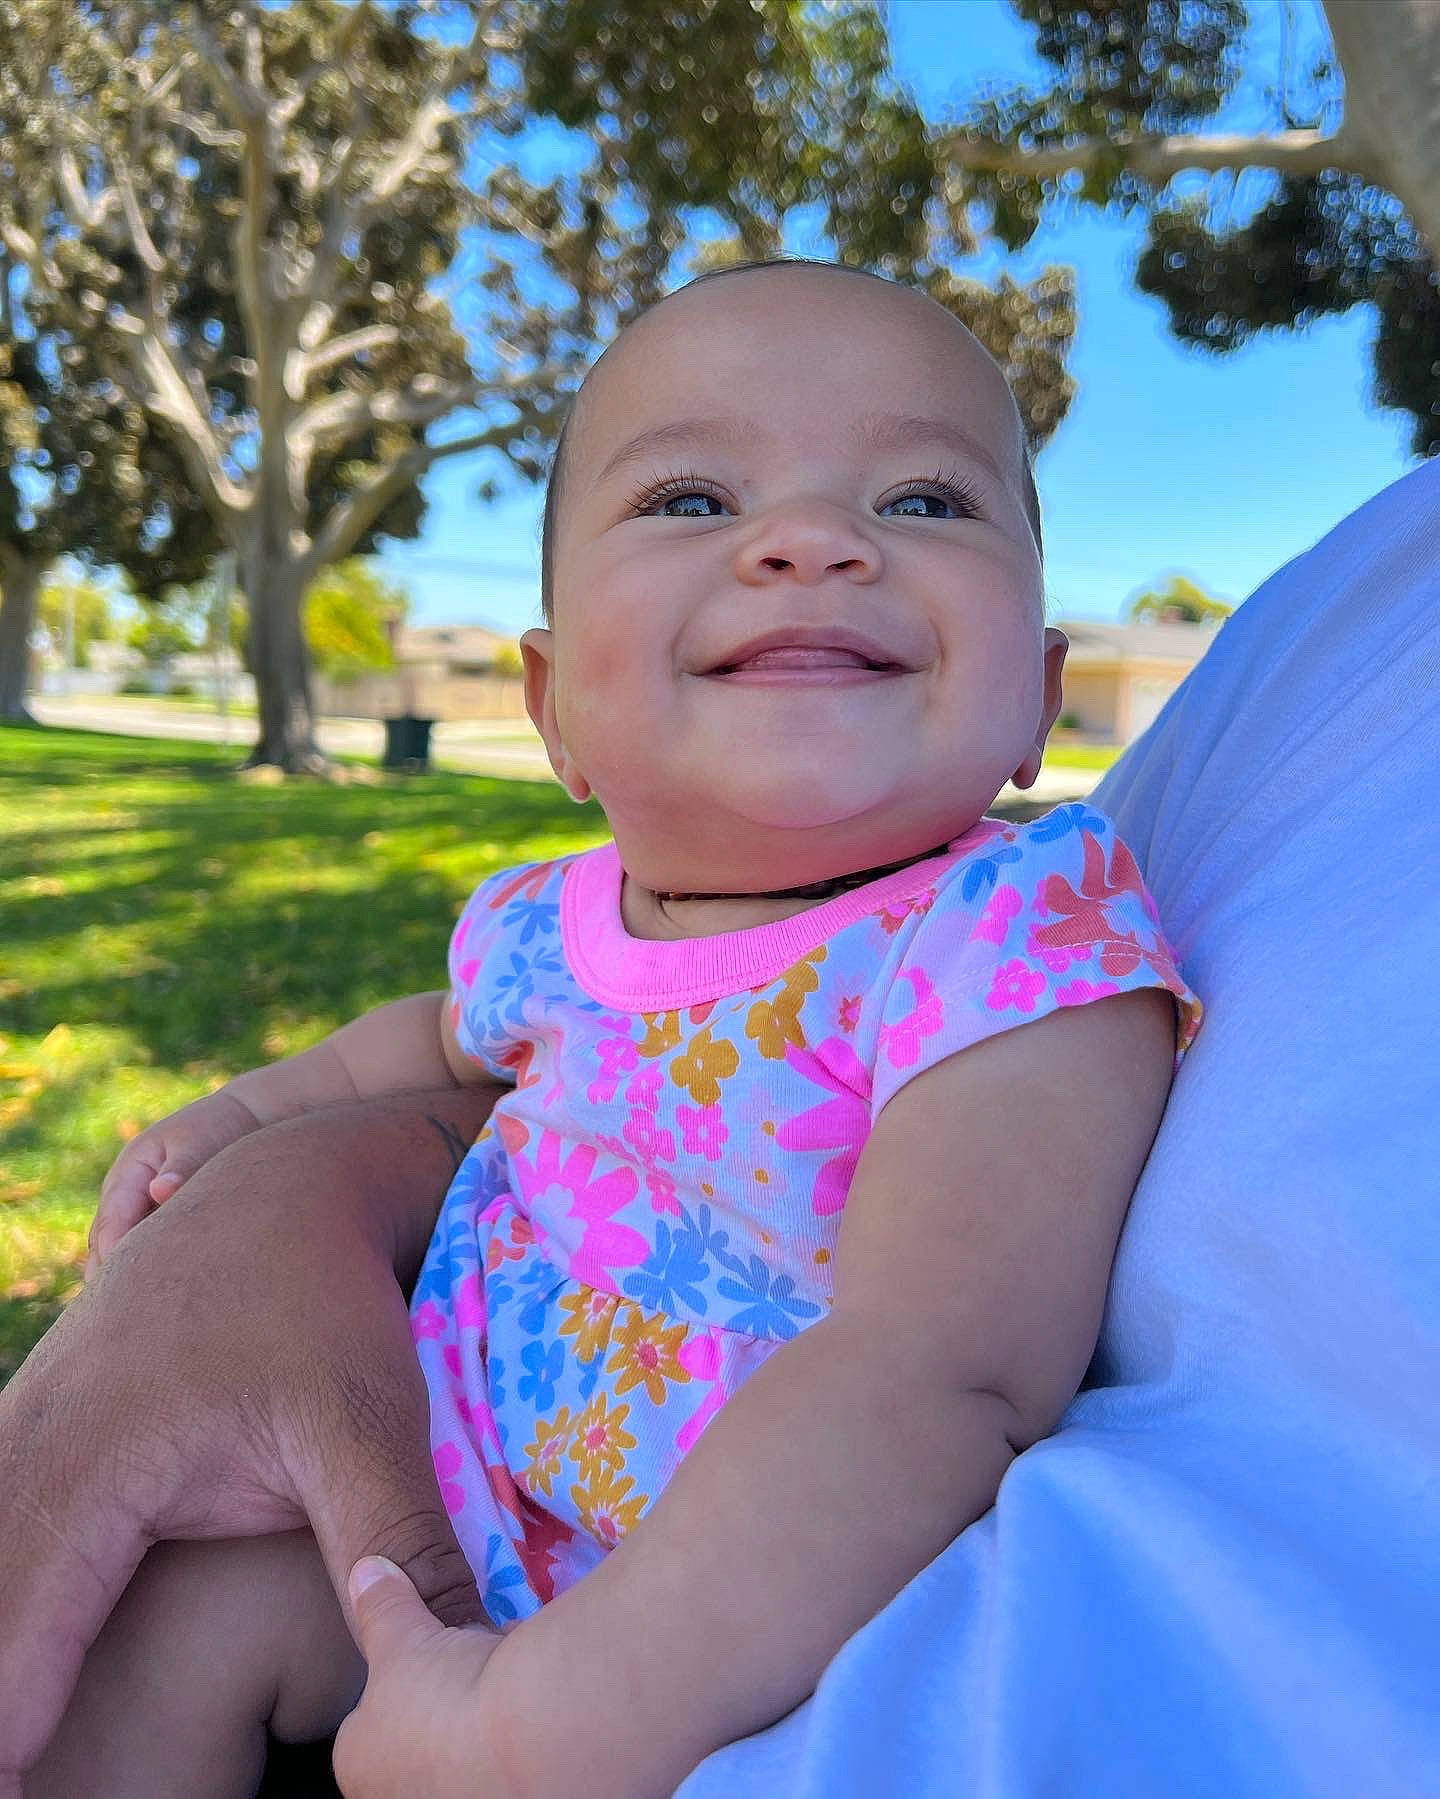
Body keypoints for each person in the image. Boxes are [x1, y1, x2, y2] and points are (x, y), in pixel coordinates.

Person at [26, 260, 1198, 1798]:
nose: (811, 542)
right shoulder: (549, 921)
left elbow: (945, 1367)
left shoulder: (1010, 927)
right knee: (150, 1637)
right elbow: (431, 1043)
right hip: (438, 1498)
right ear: (554, 708)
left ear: (1042, 700)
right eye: (693, 499)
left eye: (920, 501)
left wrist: (569, 1709)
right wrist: (243, 1121)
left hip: (737, 1611)